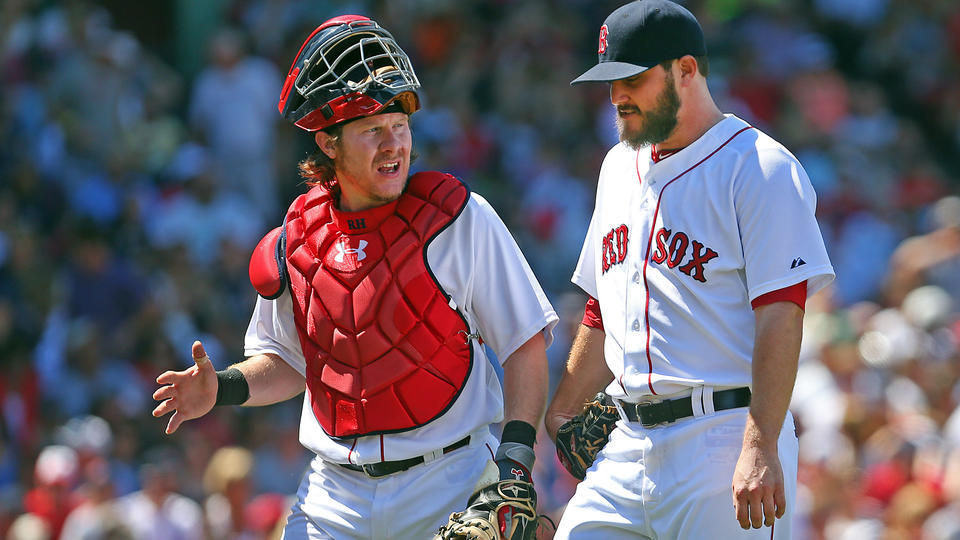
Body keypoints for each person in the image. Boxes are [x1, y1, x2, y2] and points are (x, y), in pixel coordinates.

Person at [152, 14, 557, 539]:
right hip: (334, 492)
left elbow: (524, 343)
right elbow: (286, 362)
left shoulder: (458, 216)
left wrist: (516, 462)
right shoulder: (297, 235)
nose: (394, 145)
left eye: (400, 125)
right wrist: (223, 388)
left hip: (450, 480)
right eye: (371, 131)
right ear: (328, 142)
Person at [544, 1, 835, 538]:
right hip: (625, 441)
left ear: (686, 69)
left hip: (724, 434)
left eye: (632, 78)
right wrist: (563, 407)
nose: (617, 96)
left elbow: (781, 314)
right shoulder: (616, 166)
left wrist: (761, 443)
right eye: (610, 82)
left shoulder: (759, 166)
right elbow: (600, 305)